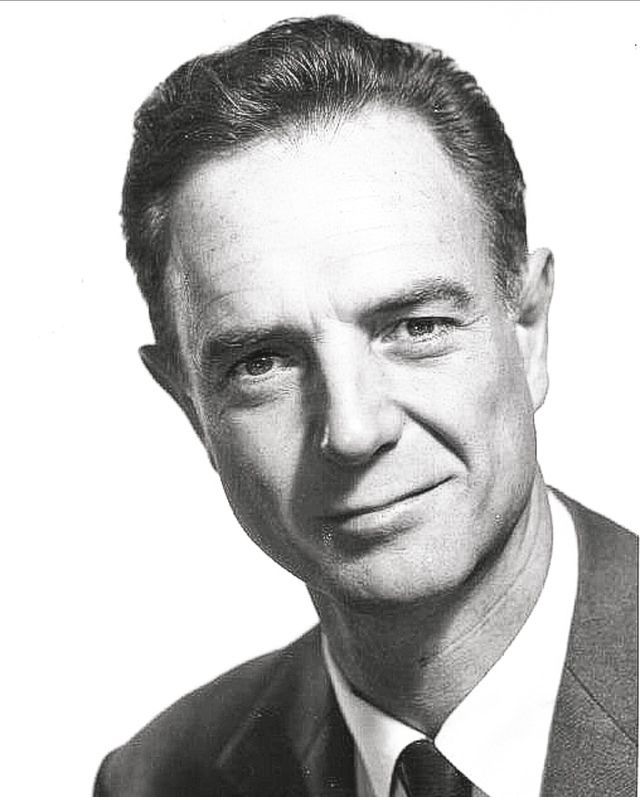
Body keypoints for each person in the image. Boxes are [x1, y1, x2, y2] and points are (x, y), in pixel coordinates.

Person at [94, 15, 637, 797]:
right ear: (191, 406)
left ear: (529, 328)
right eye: (263, 362)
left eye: (416, 327)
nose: (352, 429)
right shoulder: (155, 781)